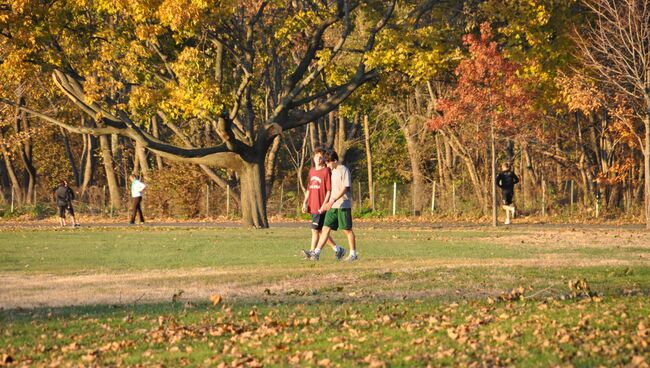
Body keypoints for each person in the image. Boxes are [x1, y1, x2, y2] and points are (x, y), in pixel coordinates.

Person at [304, 150, 357, 261]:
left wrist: (332, 200)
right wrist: (326, 203)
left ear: (335, 160)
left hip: (343, 205)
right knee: (325, 228)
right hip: (332, 206)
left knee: (347, 230)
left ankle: (353, 254)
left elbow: (345, 187)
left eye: (329, 162)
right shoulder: (331, 171)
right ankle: (316, 253)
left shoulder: (344, 170)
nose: (327, 165)